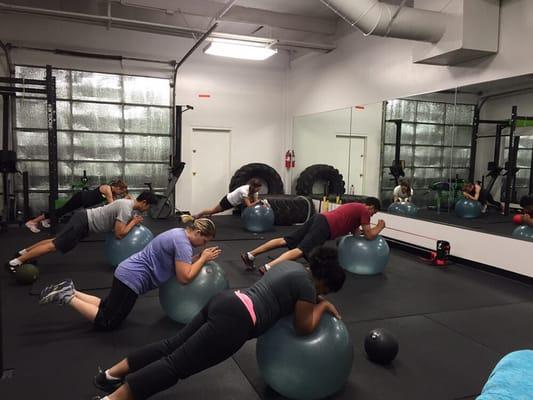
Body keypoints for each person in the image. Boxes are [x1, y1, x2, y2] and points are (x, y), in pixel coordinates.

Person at [89, 246, 345, 400]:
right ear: (324, 282)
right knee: (175, 366)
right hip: (236, 323)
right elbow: (303, 327)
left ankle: (109, 375)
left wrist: (315, 297)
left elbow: (286, 291)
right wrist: (322, 305)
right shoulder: (307, 288)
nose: (322, 295)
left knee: (170, 346)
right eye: (326, 291)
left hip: (227, 300)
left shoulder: (290, 266)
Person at [38, 219, 220, 331]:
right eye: (203, 240)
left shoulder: (178, 234)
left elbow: (181, 263)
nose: (202, 245)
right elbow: (184, 277)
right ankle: (67, 297)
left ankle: (72, 290)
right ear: (197, 232)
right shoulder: (183, 243)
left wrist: (198, 257)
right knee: (108, 321)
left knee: (107, 305)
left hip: (127, 271)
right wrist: (203, 259)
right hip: (132, 279)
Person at [5, 192, 158, 275]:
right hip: (84, 222)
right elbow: (119, 234)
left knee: (55, 240)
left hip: (84, 220)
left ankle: (23, 252)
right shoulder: (126, 208)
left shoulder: (127, 204)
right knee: (54, 245)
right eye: (149, 207)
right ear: (144, 202)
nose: (148, 210)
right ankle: (16, 262)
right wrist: (133, 223)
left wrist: (132, 220)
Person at [241, 197, 385, 274]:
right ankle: (268, 267)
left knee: (286, 240)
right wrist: (379, 227)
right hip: (325, 226)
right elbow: (370, 236)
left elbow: (357, 234)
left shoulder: (355, 208)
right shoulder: (364, 210)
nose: (372, 215)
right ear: (371, 207)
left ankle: (250, 255)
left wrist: (363, 230)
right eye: (374, 212)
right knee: (300, 251)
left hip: (319, 219)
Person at [25, 180, 129, 233]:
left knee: (61, 211)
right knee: (61, 211)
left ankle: (47, 220)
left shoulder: (113, 193)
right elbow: (112, 205)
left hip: (83, 202)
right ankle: (33, 222)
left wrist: (125, 199)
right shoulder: (107, 188)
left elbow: (116, 204)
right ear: (118, 187)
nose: (120, 194)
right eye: (121, 191)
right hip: (80, 198)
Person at [181, 178, 262, 222]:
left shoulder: (255, 192)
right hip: (227, 201)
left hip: (233, 203)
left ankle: (203, 217)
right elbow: (249, 205)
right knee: (213, 210)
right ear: (253, 186)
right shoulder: (244, 191)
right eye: (258, 188)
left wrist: (261, 203)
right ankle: (196, 216)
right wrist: (258, 202)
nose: (258, 190)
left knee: (214, 212)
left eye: (259, 188)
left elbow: (254, 202)